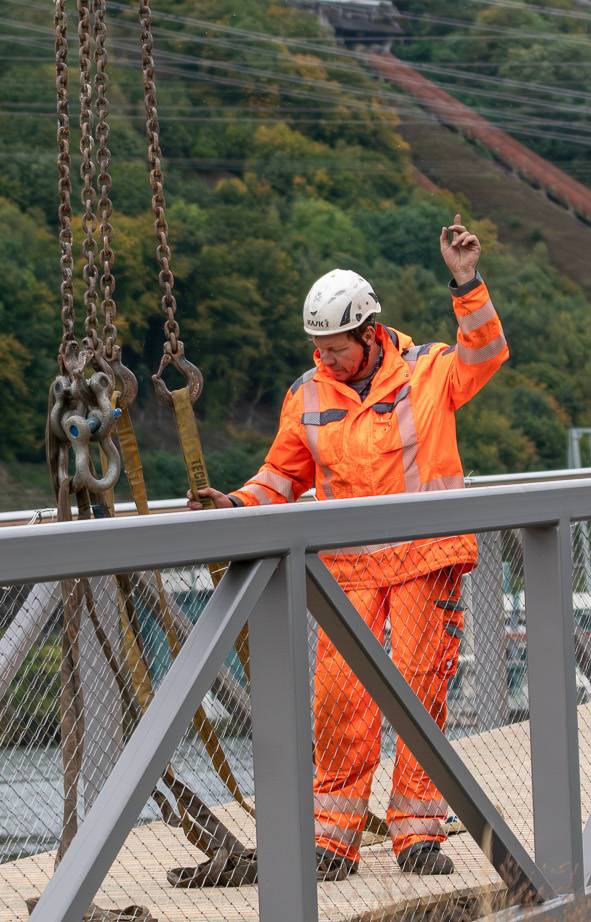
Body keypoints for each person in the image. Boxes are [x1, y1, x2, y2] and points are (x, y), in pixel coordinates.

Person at [189, 215, 505, 880]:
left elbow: (484, 354)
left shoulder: (430, 371)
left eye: (335, 346)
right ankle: (333, 843)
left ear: (370, 335)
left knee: (422, 690)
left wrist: (466, 282)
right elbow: (280, 477)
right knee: (339, 701)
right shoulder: (306, 396)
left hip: (426, 556)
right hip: (350, 569)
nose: (324, 358)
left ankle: (418, 834)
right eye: (318, 347)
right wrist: (235, 505)